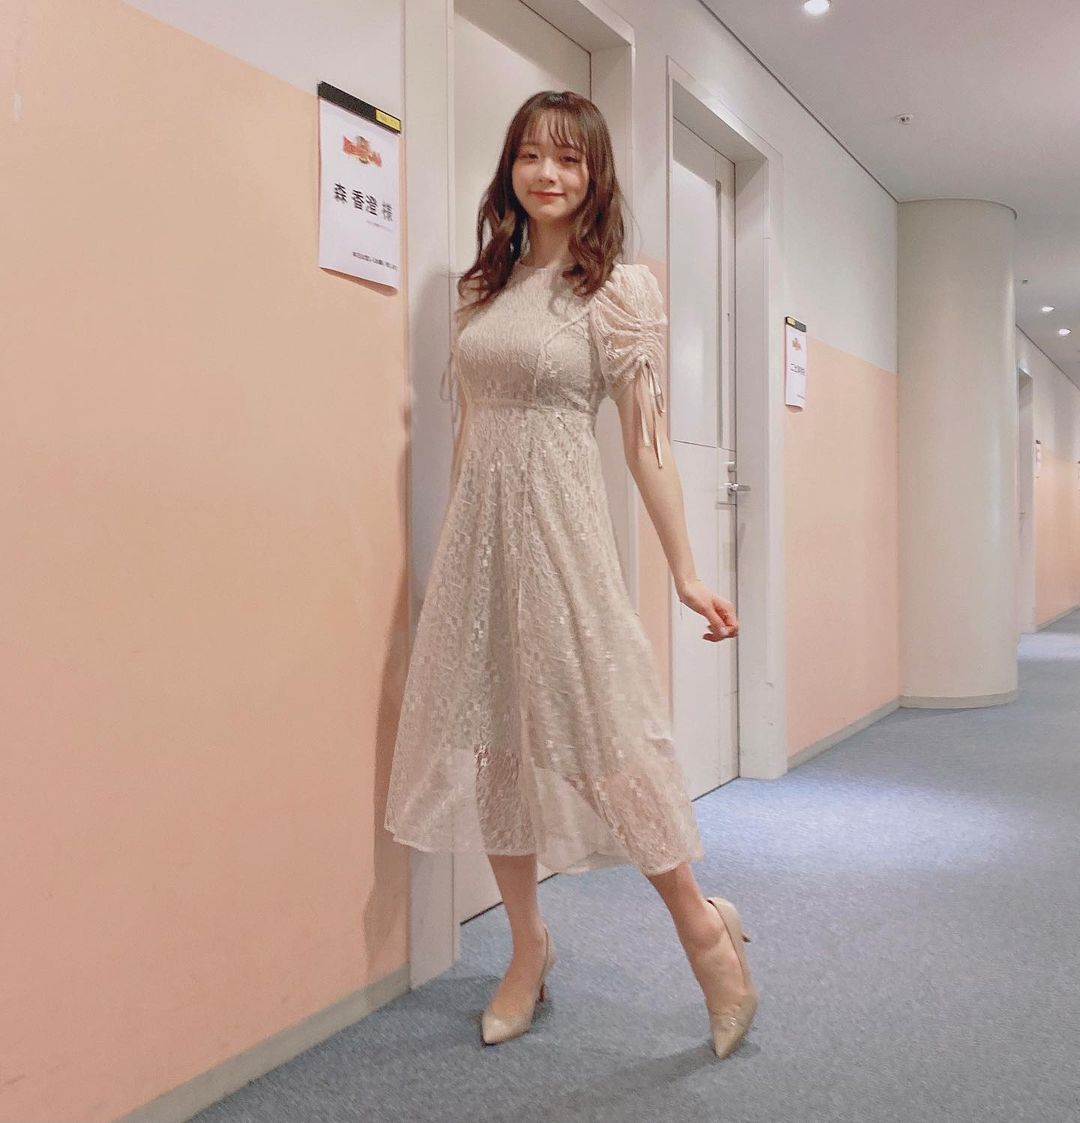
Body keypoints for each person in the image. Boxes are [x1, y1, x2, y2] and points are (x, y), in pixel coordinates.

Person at [384, 90, 757, 1059]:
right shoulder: (484, 289)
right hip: (481, 544)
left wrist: (685, 570)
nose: (546, 175)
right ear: (509, 168)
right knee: (496, 744)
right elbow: (469, 431)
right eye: (530, 156)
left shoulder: (619, 290)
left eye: (569, 160)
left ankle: (704, 930)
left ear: (595, 178)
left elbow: (646, 442)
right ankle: (527, 948)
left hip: (563, 537)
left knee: (606, 737)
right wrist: (452, 555)